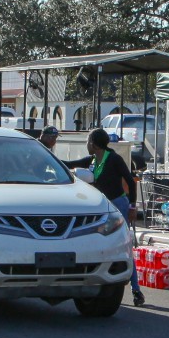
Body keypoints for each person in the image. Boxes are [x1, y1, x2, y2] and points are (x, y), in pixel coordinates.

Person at [65, 128, 144, 307]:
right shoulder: (92, 161)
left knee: (125, 245)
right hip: (104, 208)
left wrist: (132, 206)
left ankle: (136, 289)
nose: (86, 144)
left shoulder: (114, 158)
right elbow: (70, 163)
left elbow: (130, 181)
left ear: (93, 143)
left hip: (120, 204)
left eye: (87, 141)